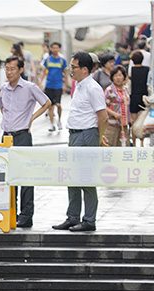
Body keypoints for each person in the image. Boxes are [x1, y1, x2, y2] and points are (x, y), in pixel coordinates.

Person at [52, 51, 107, 232]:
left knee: (86, 177)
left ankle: (89, 219)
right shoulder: (79, 85)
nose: (71, 70)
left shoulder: (93, 88)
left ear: (84, 69)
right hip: (75, 134)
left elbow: (102, 116)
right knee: (72, 177)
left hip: (87, 135)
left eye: (73, 67)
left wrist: (99, 138)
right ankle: (72, 216)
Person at [0, 56, 50, 228]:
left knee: (25, 177)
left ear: (21, 70)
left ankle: (26, 215)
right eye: (6, 68)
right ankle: (10, 211)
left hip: (22, 135)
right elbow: (2, 108)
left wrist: (31, 119)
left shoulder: (29, 88)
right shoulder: (3, 89)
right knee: (9, 176)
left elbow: (46, 103)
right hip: (6, 136)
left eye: (12, 68)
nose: (9, 72)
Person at [39, 41, 68, 132]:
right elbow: (44, 72)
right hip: (49, 85)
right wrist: (40, 82)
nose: (55, 49)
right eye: (53, 47)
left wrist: (65, 85)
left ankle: (59, 121)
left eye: (57, 47)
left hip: (58, 85)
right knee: (50, 106)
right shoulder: (48, 60)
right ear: (51, 49)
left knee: (58, 105)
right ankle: (52, 124)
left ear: (59, 49)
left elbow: (66, 73)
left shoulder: (62, 60)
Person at [104, 65, 130, 146]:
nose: (118, 78)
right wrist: (114, 114)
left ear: (124, 77)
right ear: (112, 77)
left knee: (123, 146)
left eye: (120, 75)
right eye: (116, 75)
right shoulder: (109, 90)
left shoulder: (125, 89)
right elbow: (103, 106)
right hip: (112, 125)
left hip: (124, 124)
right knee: (111, 146)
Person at [128, 50, 150, 126]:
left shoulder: (131, 70)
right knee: (142, 120)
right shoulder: (147, 69)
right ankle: (141, 138)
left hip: (134, 96)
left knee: (134, 120)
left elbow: (129, 83)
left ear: (133, 60)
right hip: (144, 96)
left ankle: (133, 138)